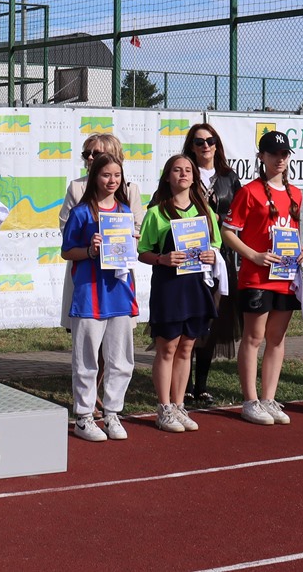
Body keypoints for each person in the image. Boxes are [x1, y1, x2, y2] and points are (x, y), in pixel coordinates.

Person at [221, 131, 303, 425]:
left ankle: (269, 399)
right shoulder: (249, 192)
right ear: (261, 157)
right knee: (253, 337)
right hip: (257, 277)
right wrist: (254, 255)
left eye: (284, 154)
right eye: (273, 154)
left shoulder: (296, 193)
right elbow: (227, 232)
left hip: (285, 277)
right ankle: (250, 401)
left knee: (277, 338)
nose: (280, 159)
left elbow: (292, 234)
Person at [137, 154, 220, 433]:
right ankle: (164, 408)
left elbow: (216, 246)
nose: (183, 174)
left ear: (195, 177)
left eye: (188, 170)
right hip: (169, 287)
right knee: (168, 347)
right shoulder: (156, 213)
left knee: (186, 348)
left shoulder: (205, 212)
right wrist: (161, 258)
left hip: (196, 286)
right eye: (176, 170)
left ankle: (179, 405)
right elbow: (142, 252)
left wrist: (212, 255)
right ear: (167, 177)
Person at [61, 154, 138, 441]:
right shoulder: (81, 213)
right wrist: (90, 251)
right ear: (95, 177)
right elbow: (67, 251)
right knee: (86, 360)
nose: (112, 180)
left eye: (117, 175)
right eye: (106, 175)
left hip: (119, 294)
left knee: (121, 360)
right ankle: (83, 416)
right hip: (89, 294)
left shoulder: (124, 211)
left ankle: (112, 413)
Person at [181, 123, 243, 405]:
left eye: (210, 140)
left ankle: (201, 386)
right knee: (188, 320)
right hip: (188, 257)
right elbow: (164, 205)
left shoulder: (229, 177)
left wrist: (221, 219)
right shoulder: (183, 172)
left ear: (217, 144)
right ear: (191, 146)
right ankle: (184, 385)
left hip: (220, 258)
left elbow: (241, 216)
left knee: (212, 322)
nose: (205, 146)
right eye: (199, 141)